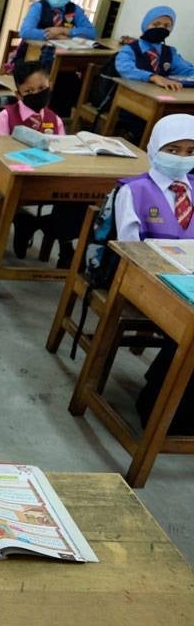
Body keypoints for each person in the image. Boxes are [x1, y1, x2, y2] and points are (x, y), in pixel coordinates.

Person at [113, 114, 194, 434]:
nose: (183, 158)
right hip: (149, 283)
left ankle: (174, 397)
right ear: (155, 148)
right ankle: (158, 402)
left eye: (191, 151)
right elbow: (130, 250)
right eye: (174, 149)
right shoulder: (135, 191)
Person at [0, 60, 80, 267]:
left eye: (42, 88)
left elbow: (62, 148)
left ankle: (61, 242)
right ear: (19, 94)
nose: (37, 94)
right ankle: (27, 221)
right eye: (29, 91)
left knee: (76, 196)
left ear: (50, 86)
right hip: (15, 177)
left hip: (49, 176)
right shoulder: (4, 117)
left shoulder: (53, 118)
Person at [18, 0, 95, 117]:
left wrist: (65, 31)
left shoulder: (73, 9)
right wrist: (49, 34)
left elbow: (91, 32)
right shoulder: (39, 7)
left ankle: (57, 119)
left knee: (71, 84)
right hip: (36, 58)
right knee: (43, 82)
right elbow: (25, 31)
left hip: (65, 59)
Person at [116, 6, 194, 92]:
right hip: (131, 93)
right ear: (145, 25)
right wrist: (153, 77)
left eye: (166, 26)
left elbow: (186, 70)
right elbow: (126, 69)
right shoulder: (129, 49)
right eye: (156, 24)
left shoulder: (169, 52)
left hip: (158, 94)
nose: (161, 28)